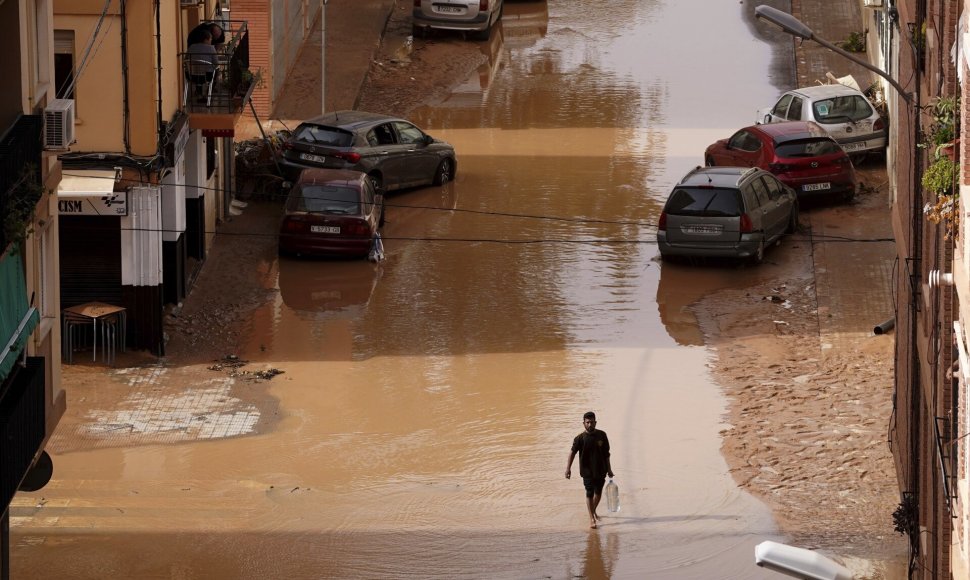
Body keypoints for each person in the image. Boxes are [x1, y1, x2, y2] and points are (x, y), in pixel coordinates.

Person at [565, 411, 614, 529]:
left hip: (601, 470)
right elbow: (572, 453)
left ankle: (593, 510)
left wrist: (609, 469)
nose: (590, 424)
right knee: (589, 493)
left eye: (592, 422)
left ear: (595, 422)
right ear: (584, 424)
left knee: (598, 493)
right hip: (587, 471)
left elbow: (607, 454)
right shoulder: (579, 439)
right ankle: (591, 518)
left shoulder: (602, 435)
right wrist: (568, 468)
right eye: (587, 422)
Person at [186, 29, 218, 100]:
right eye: (210, 39)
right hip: (207, 76)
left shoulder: (191, 47)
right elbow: (216, 62)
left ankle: (199, 92)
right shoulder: (211, 48)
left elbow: (186, 59)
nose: (211, 41)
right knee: (216, 70)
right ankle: (207, 93)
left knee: (199, 74)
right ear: (206, 39)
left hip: (191, 76)